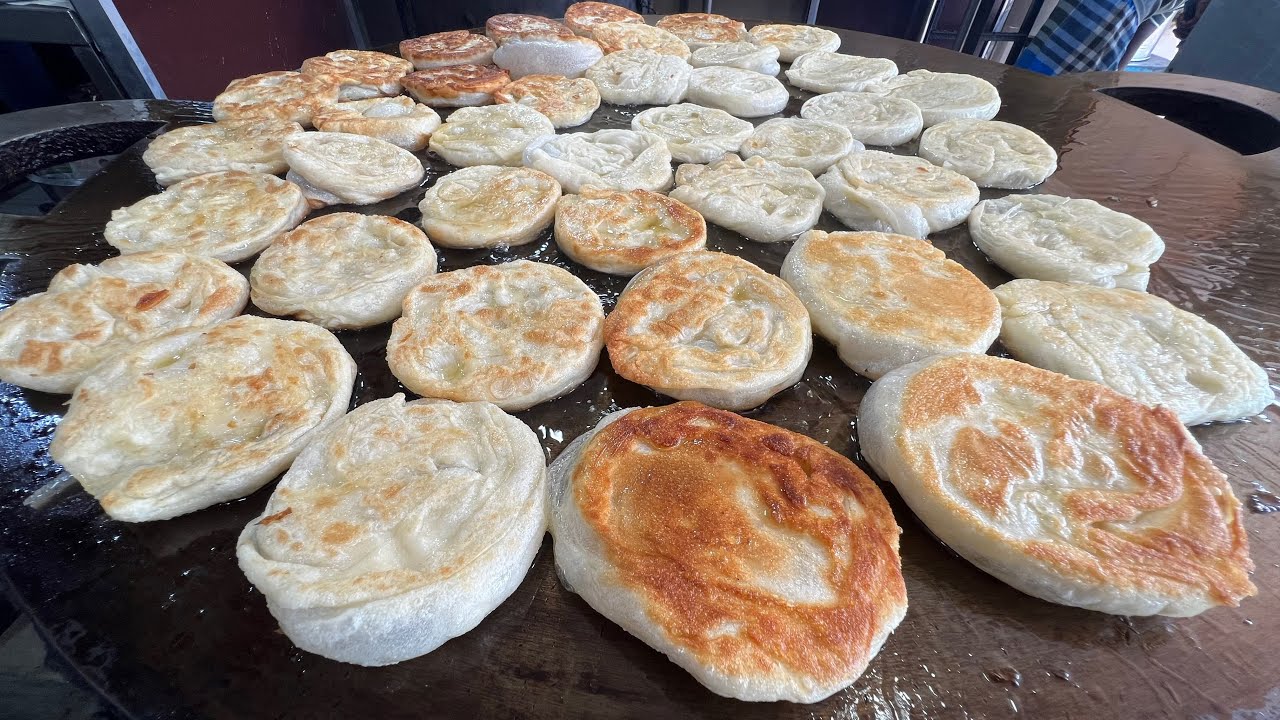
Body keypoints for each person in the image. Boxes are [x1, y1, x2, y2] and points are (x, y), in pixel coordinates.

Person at [1016, 0, 1187, 74]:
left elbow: (1151, 22)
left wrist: (1115, 72)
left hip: (1124, 12)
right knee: (1045, 80)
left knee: (1042, 70)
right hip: (1113, 8)